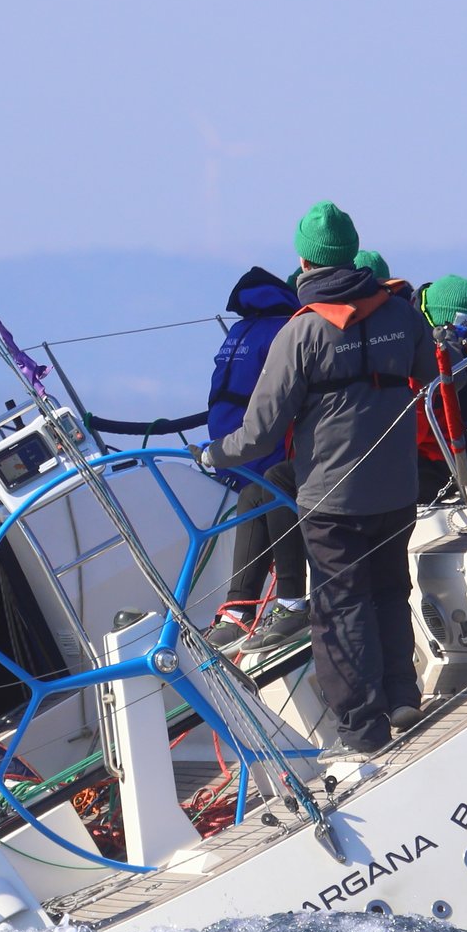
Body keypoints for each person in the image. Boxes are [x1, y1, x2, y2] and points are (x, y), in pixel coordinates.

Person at [203, 202, 437, 756]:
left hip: (331, 500)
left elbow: (259, 435)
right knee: (388, 590)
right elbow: (431, 380)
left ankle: (363, 728)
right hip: (398, 488)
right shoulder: (403, 316)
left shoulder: (300, 333)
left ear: (304, 260)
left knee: (340, 607)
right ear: (353, 251)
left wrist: (214, 454)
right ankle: (403, 695)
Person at [202, 266, 310, 651]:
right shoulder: (292, 329)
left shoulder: (243, 331)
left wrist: (216, 452)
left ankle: (267, 604)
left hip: (241, 447)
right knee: (264, 491)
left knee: (266, 489)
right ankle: (250, 605)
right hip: (265, 444)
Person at [413, 274, 467, 500]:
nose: (461, 343)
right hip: (416, 467)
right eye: (456, 334)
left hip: (441, 459)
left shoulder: (460, 367)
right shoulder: (411, 355)